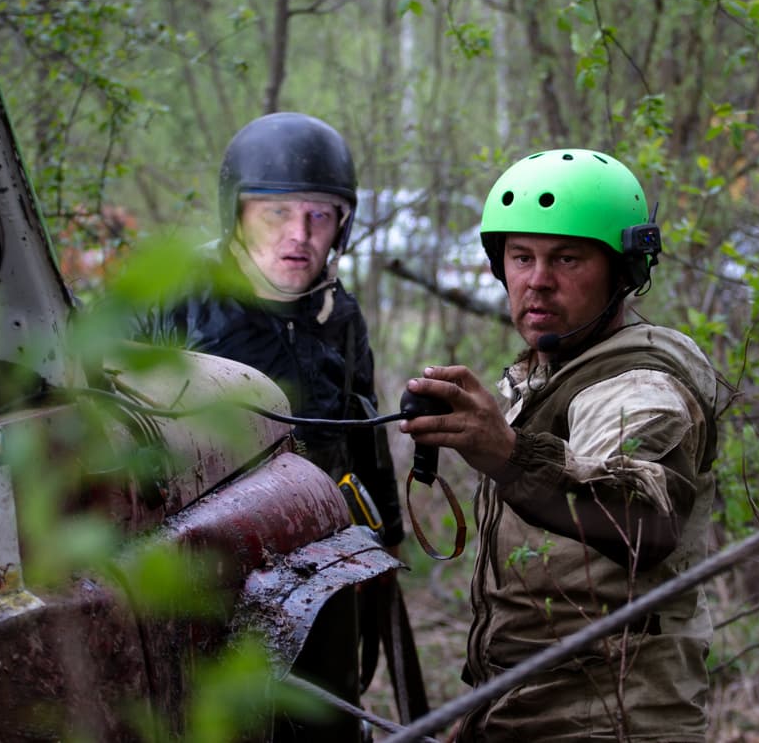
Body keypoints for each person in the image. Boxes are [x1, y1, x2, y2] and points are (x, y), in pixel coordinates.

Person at [401, 148, 726, 741]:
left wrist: (509, 454)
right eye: (521, 257)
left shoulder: (638, 383)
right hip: (523, 709)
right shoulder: (553, 366)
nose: (537, 281)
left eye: (567, 258)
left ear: (623, 271)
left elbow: (645, 521)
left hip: (612, 718)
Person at [132, 111, 407, 740]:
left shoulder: (340, 314)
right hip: (210, 572)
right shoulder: (173, 301)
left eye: (319, 214)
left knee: (326, 720)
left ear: (343, 223)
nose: (299, 235)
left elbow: (363, 427)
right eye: (275, 213)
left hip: (325, 563)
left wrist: (387, 535)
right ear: (237, 214)